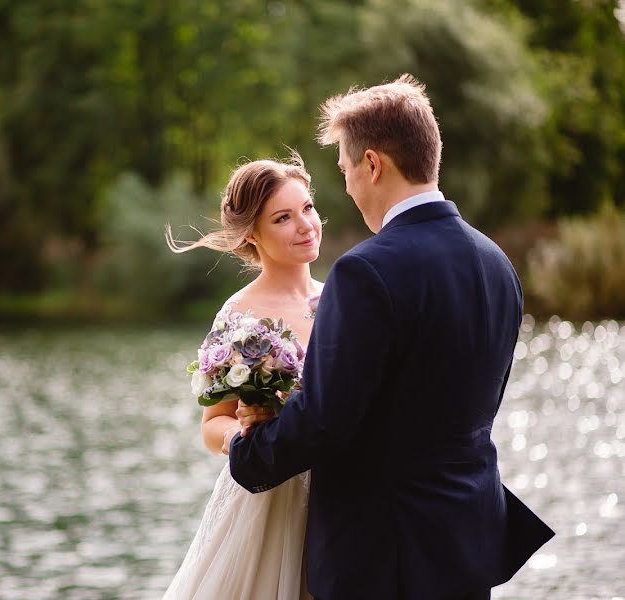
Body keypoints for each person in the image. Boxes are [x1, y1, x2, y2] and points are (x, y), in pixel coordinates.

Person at [227, 74, 554, 600]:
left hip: (383, 556)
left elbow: (324, 421)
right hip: (468, 539)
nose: (349, 189)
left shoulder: (364, 272)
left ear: (373, 164)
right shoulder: (498, 264)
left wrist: (250, 451)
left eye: (347, 171)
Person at [162, 155, 324, 599]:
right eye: (283, 218)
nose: (306, 225)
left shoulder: (339, 301)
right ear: (253, 234)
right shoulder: (240, 314)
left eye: (307, 208)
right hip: (265, 498)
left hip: (336, 496)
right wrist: (244, 435)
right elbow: (212, 424)